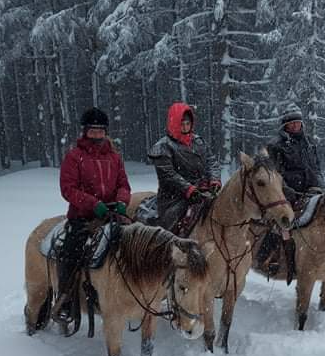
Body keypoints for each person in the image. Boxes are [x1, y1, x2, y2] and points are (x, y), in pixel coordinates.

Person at [53, 107, 131, 323]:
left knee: (137, 243)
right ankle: (66, 299)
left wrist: (122, 202)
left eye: (100, 131)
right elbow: (67, 189)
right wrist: (93, 204)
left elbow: (123, 184)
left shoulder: (115, 157)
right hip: (83, 217)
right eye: (93, 131)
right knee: (72, 251)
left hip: (113, 214)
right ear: (85, 131)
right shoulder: (74, 157)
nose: (97, 135)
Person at [255, 102, 325, 276]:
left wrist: (322, 187)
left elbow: (316, 169)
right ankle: (271, 256)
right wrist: (287, 192)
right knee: (282, 223)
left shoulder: (309, 143)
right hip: (286, 193)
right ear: (285, 124)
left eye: (298, 122)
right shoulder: (275, 146)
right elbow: (274, 175)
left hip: (312, 190)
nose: (296, 125)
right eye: (291, 122)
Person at [148, 102, 221, 233]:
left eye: (188, 123)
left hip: (202, 191)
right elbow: (168, 175)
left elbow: (212, 161)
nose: (186, 127)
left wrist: (214, 180)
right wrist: (189, 190)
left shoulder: (198, 141)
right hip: (174, 197)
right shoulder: (163, 146)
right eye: (182, 123)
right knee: (171, 227)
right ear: (174, 123)